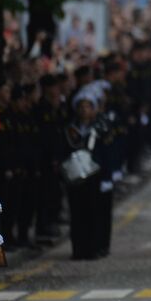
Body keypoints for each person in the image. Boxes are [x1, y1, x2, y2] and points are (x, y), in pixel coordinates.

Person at [58, 82, 118, 260]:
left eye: (88, 106)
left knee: (94, 214)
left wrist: (108, 177)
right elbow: (63, 150)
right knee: (77, 214)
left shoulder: (101, 128)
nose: (84, 110)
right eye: (81, 106)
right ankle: (78, 249)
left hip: (96, 177)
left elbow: (108, 154)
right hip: (76, 177)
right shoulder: (70, 129)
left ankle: (94, 248)